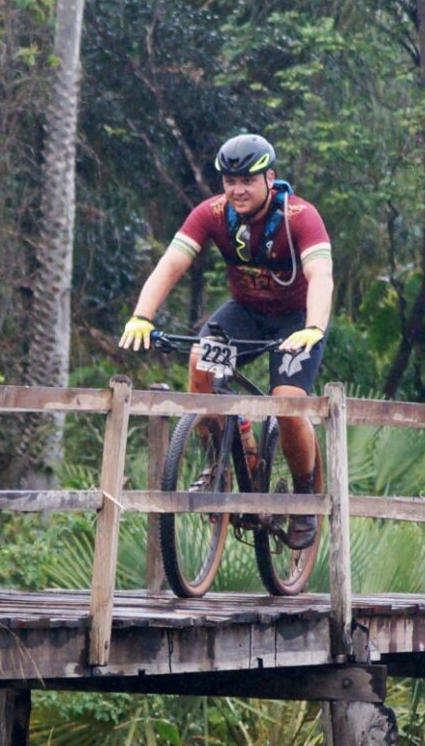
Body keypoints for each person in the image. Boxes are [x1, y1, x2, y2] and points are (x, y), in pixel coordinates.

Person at [119, 133, 333, 549]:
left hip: (295, 320)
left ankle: (305, 497)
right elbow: (172, 264)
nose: (237, 190)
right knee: (199, 364)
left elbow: (321, 276)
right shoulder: (212, 213)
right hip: (245, 314)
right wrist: (142, 316)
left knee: (287, 402)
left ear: (269, 178)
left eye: (247, 181)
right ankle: (221, 459)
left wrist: (313, 327)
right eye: (229, 181)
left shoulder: (300, 216)